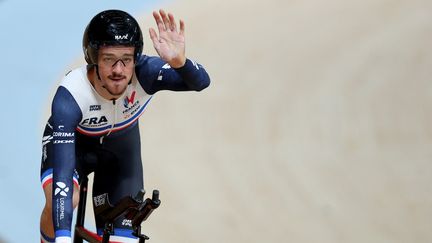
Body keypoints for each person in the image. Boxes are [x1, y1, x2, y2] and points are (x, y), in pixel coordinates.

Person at [39, 9, 210, 243]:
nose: (118, 70)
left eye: (126, 60)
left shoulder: (147, 73)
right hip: (73, 148)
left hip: (120, 154)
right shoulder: (71, 95)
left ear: (136, 58)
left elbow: (201, 82)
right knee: (68, 200)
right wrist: (61, 238)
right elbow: (62, 180)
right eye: (109, 59)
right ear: (93, 58)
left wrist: (180, 62)